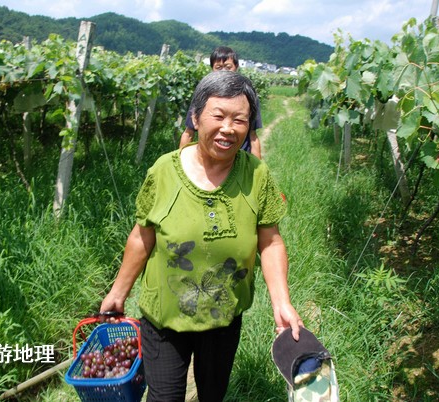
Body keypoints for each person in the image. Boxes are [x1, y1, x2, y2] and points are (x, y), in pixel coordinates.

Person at [100, 71, 303, 402]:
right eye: (218, 116)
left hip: (223, 316)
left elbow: (271, 242)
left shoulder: (257, 174)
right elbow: (142, 236)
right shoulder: (163, 171)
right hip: (163, 317)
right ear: (195, 117)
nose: (228, 128)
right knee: (164, 398)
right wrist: (118, 292)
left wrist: (282, 303)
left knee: (212, 395)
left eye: (239, 119)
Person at [179, 46, 263, 159]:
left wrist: (256, 167)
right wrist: (180, 161)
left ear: (236, 67)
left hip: (239, 160)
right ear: (212, 69)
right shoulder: (204, 95)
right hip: (208, 158)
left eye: (228, 67)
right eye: (218, 67)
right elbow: (189, 132)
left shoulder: (247, 97)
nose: (223, 71)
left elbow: (253, 135)